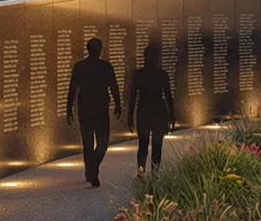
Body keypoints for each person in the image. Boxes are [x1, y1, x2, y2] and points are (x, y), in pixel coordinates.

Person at [65, 37, 123, 187]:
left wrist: (69, 108)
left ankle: (91, 169)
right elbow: (114, 87)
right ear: (100, 50)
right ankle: (92, 170)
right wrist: (117, 104)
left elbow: (72, 90)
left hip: (86, 109)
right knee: (102, 142)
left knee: (89, 143)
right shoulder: (105, 67)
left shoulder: (80, 67)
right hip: (99, 109)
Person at [127, 41, 177, 174]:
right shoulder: (162, 74)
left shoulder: (139, 74)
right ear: (156, 58)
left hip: (143, 110)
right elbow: (168, 97)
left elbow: (133, 97)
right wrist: (171, 116)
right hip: (159, 111)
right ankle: (155, 173)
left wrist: (130, 116)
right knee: (157, 146)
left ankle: (141, 172)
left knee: (143, 145)